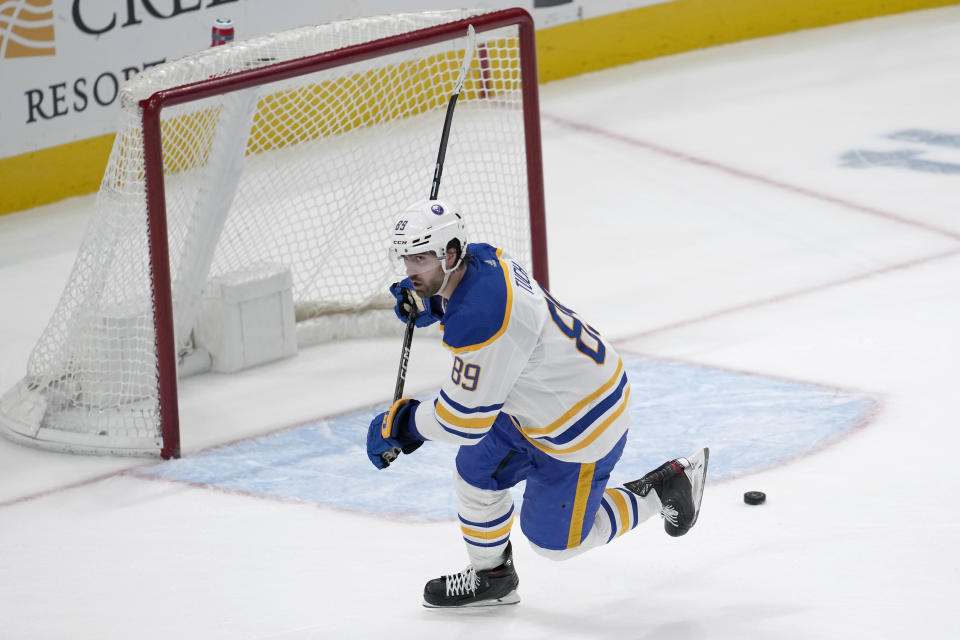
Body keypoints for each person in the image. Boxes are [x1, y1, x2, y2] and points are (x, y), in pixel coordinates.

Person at [366, 199, 709, 608]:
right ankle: (492, 576)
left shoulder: (481, 319)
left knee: (556, 545)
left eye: (420, 259)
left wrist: (402, 425)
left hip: (582, 422)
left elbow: (461, 422)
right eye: (407, 260)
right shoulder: (482, 257)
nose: (410, 272)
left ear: (451, 254)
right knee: (475, 473)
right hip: (542, 401)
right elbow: (472, 309)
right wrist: (433, 302)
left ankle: (662, 488)